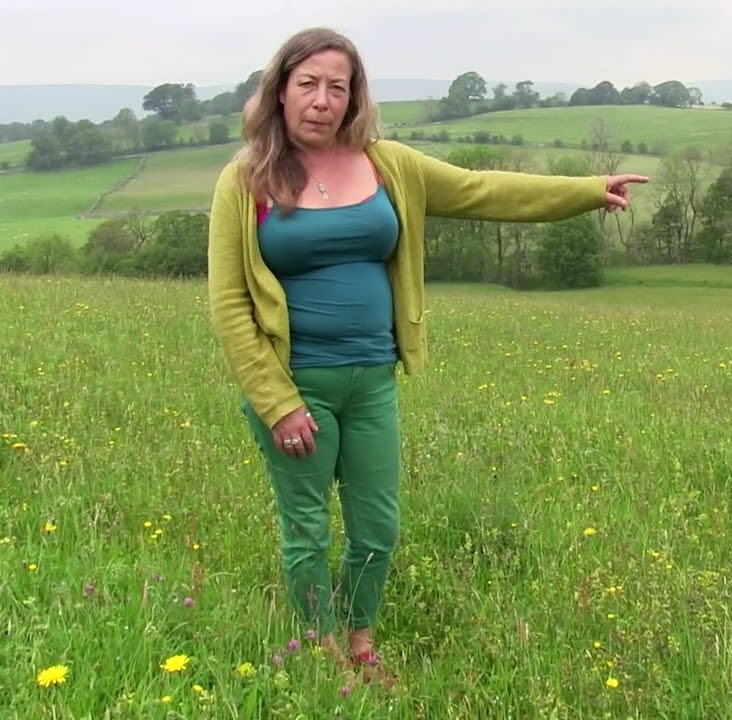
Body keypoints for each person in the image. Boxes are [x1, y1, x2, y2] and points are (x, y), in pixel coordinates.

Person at [205, 26, 648, 686]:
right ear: (279, 92)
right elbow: (230, 303)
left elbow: (481, 190)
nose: (322, 101)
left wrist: (585, 191)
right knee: (307, 531)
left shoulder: (388, 165)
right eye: (308, 85)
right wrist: (276, 402)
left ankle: (359, 637)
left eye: (337, 87)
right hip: (296, 387)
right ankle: (318, 647)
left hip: (373, 380)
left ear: (353, 98)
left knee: (377, 527)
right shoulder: (245, 180)